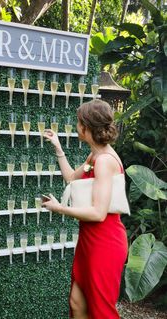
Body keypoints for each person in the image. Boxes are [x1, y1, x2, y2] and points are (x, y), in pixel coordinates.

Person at [43, 99, 128, 319]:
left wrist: (60, 208)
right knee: (77, 302)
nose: (76, 126)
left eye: (78, 122)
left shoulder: (104, 161)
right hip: (89, 240)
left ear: (86, 127)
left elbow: (99, 213)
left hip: (105, 242)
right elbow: (71, 178)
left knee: (101, 310)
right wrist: (59, 148)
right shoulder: (95, 155)